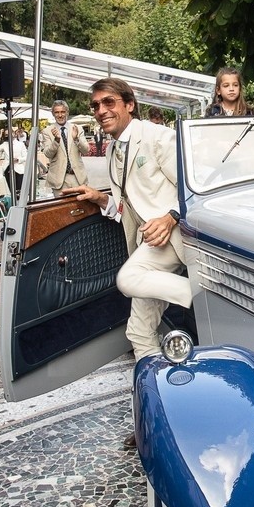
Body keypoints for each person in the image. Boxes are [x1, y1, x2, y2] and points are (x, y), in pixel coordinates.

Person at [63, 77, 191, 361]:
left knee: (128, 278)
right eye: (95, 105)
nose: (101, 110)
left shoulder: (157, 136)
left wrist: (170, 217)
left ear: (130, 105)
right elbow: (126, 207)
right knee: (139, 332)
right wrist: (99, 198)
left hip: (174, 237)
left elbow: (191, 189)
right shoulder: (112, 149)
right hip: (147, 242)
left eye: (109, 102)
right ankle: (154, 385)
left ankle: (204, 295)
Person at [38, 100, 91, 196]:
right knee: (61, 210)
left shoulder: (77, 128)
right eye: (57, 112)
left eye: (62, 112)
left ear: (67, 112)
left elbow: (86, 150)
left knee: (81, 208)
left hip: (77, 177)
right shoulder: (47, 131)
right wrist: (56, 140)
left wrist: (76, 139)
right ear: (53, 114)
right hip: (59, 180)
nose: (60, 115)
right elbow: (48, 153)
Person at [0, 129, 29, 196]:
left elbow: (26, 156)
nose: (8, 136)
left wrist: (18, 159)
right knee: (10, 190)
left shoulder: (20, 144)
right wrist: (0, 136)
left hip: (18, 169)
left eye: (9, 134)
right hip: (8, 168)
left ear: (14, 134)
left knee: (19, 190)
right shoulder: (4, 144)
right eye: (6, 135)